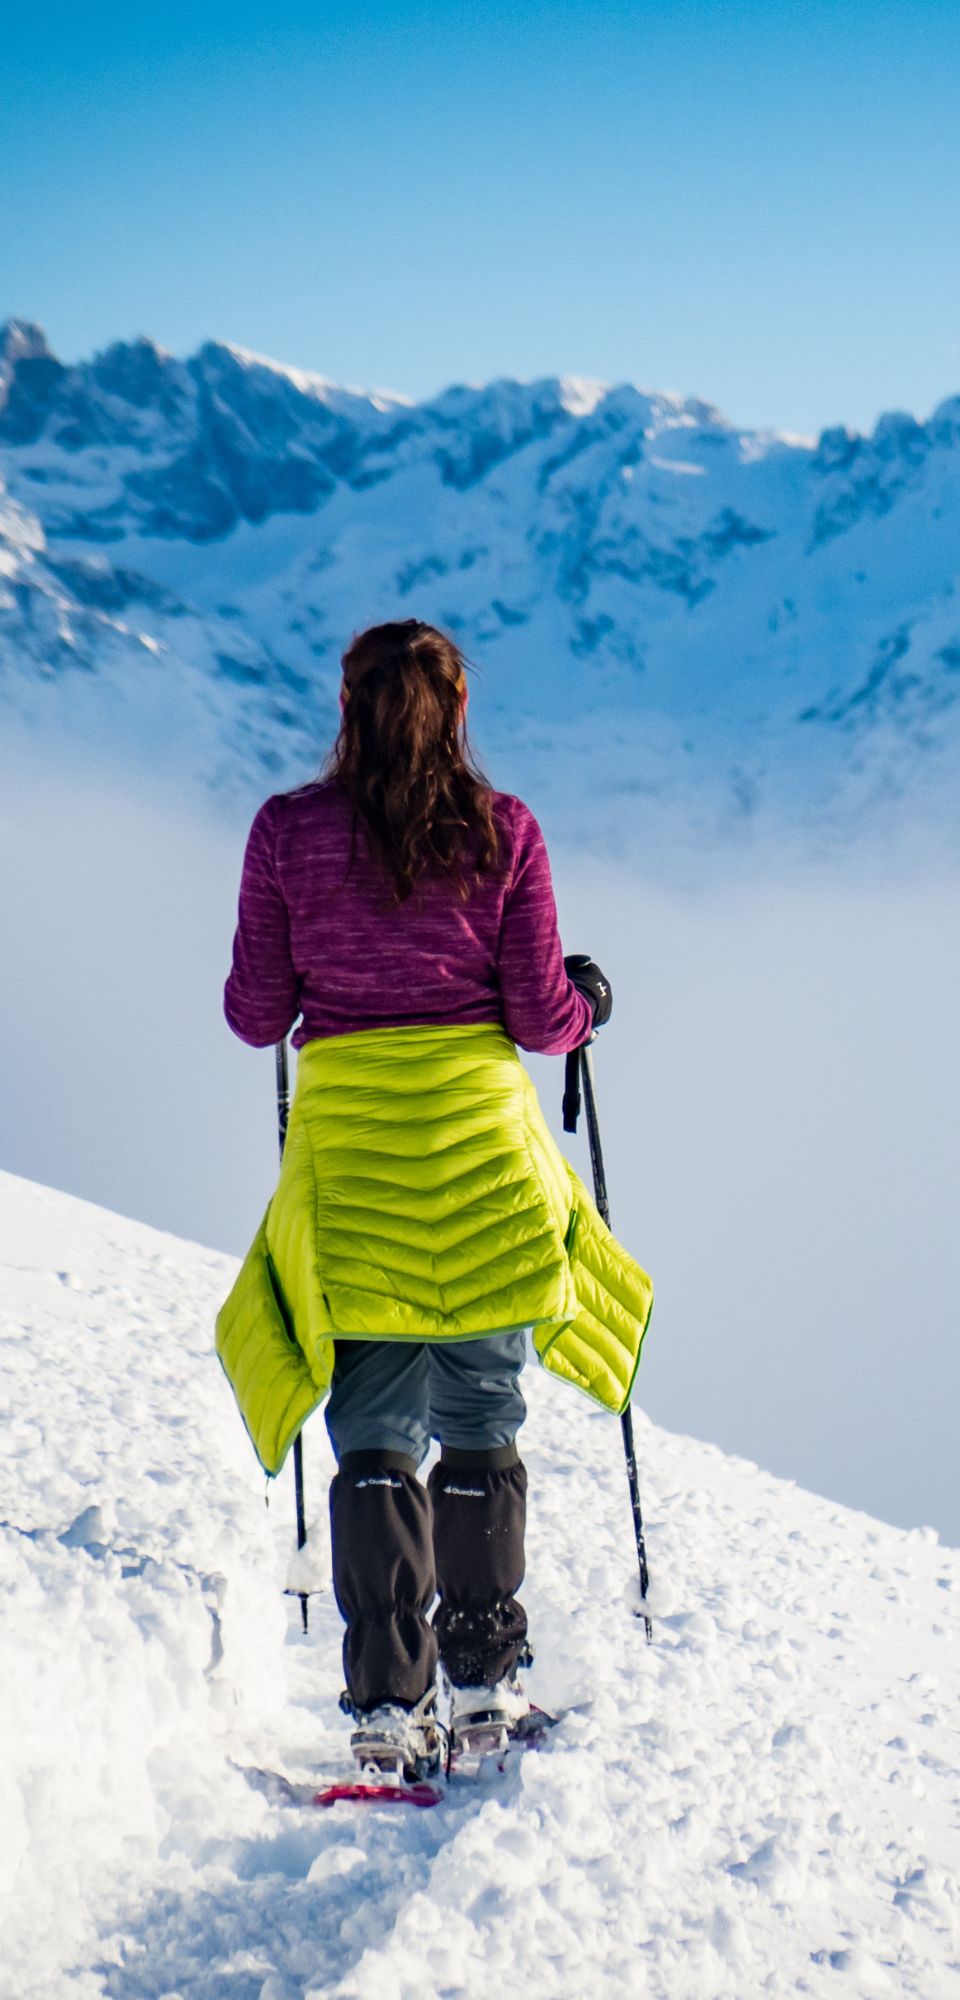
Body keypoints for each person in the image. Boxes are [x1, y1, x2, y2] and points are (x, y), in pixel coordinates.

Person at [214, 618, 652, 1783]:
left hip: (355, 1173)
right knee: (481, 1422)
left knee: (369, 1439)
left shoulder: (285, 835)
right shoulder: (505, 832)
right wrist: (586, 998)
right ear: (458, 714)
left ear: (346, 709)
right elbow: (540, 1017)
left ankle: (382, 1708)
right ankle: (482, 1688)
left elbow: (257, 1015)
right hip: (480, 1175)